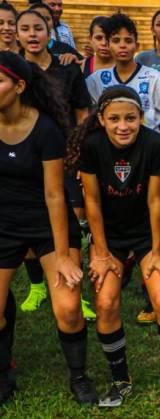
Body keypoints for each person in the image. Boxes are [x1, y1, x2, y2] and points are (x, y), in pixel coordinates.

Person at [71, 85, 160, 407]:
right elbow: (92, 202)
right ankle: (120, 381)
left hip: (144, 231)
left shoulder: (153, 144)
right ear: (101, 119)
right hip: (108, 235)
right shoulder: (92, 145)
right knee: (107, 303)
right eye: (114, 119)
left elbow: (155, 201)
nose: (123, 125)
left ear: (141, 117)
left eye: (130, 118)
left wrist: (158, 251)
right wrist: (99, 252)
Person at [0, 51, 97, 406]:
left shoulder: (46, 129)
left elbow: (56, 195)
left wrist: (65, 258)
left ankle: (79, 377)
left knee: (69, 307)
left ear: (19, 86)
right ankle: (4, 371)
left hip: (47, 224)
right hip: (4, 225)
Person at [15, 8, 96, 320]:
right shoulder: (14, 71)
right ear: (18, 34)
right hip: (26, 161)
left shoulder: (67, 68)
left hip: (63, 159)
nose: (33, 34)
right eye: (26, 29)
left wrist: (76, 153)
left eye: (39, 27)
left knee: (72, 221)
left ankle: (75, 287)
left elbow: (81, 113)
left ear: (50, 31)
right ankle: (38, 285)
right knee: (28, 224)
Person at [86, 13, 160, 131]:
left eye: (128, 41)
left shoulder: (153, 77)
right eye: (116, 40)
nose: (122, 45)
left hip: (146, 145)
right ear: (108, 45)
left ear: (137, 46)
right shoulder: (96, 80)